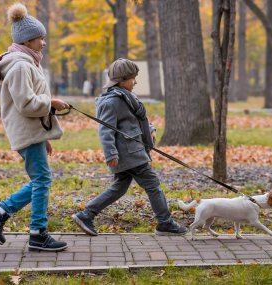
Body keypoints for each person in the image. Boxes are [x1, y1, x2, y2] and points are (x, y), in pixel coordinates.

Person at [0, 3, 69, 252]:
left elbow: (31, 105)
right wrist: (51, 103)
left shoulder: (27, 62)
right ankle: (35, 232)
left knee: (41, 179)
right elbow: (26, 104)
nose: (43, 43)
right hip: (25, 131)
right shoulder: (21, 65)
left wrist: (44, 135)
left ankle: (1, 214)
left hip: (32, 132)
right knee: (42, 179)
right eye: (40, 39)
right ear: (28, 40)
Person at [72, 58, 187, 236]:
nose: (135, 82)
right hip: (129, 153)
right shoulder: (112, 102)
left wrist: (150, 130)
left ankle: (86, 214)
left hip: (133, 150)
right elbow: (105, 130)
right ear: (122, 80)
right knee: (153, 185)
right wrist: (110, 154)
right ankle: (165, 223)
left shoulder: (126, 97)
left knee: (119, 187)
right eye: (132, 78)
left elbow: (135, 120)